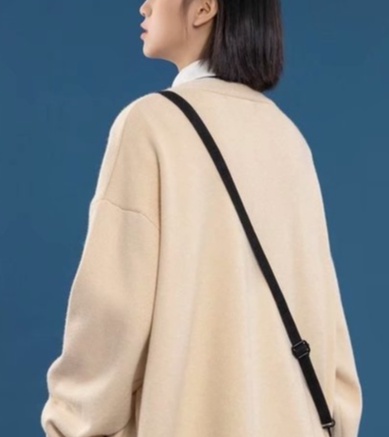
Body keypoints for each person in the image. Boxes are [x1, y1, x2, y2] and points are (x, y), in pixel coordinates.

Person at [40, 1, 363, 436]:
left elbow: (111, 316)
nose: (145, 6)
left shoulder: (150, 124)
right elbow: (326, 321)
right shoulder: (288, 137)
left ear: (204, 8)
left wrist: (70, 423)